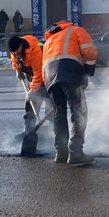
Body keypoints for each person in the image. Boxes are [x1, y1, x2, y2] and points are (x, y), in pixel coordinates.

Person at [42, 20, 98, 166]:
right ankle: (75, 152)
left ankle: (61, 153)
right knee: (79, 112)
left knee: (58, 114)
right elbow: (90, 51)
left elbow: (43, 65)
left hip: (49, 77)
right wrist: (89, 69)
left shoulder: (49, 40)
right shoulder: (76, 30)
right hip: (70, 72)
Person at [8, 34, 51, 156]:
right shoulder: (15, 51)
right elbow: (15, 61)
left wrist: (32, 91)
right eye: (13, 52)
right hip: (34, 79)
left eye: (17, 51)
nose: (15, 54)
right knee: (30, 108)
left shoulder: (35, 50)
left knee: (51, 108)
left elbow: (39, 74)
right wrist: (18, 71)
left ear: (22, 46)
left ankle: (55, 134)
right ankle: (29, 131)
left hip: (47, 79)